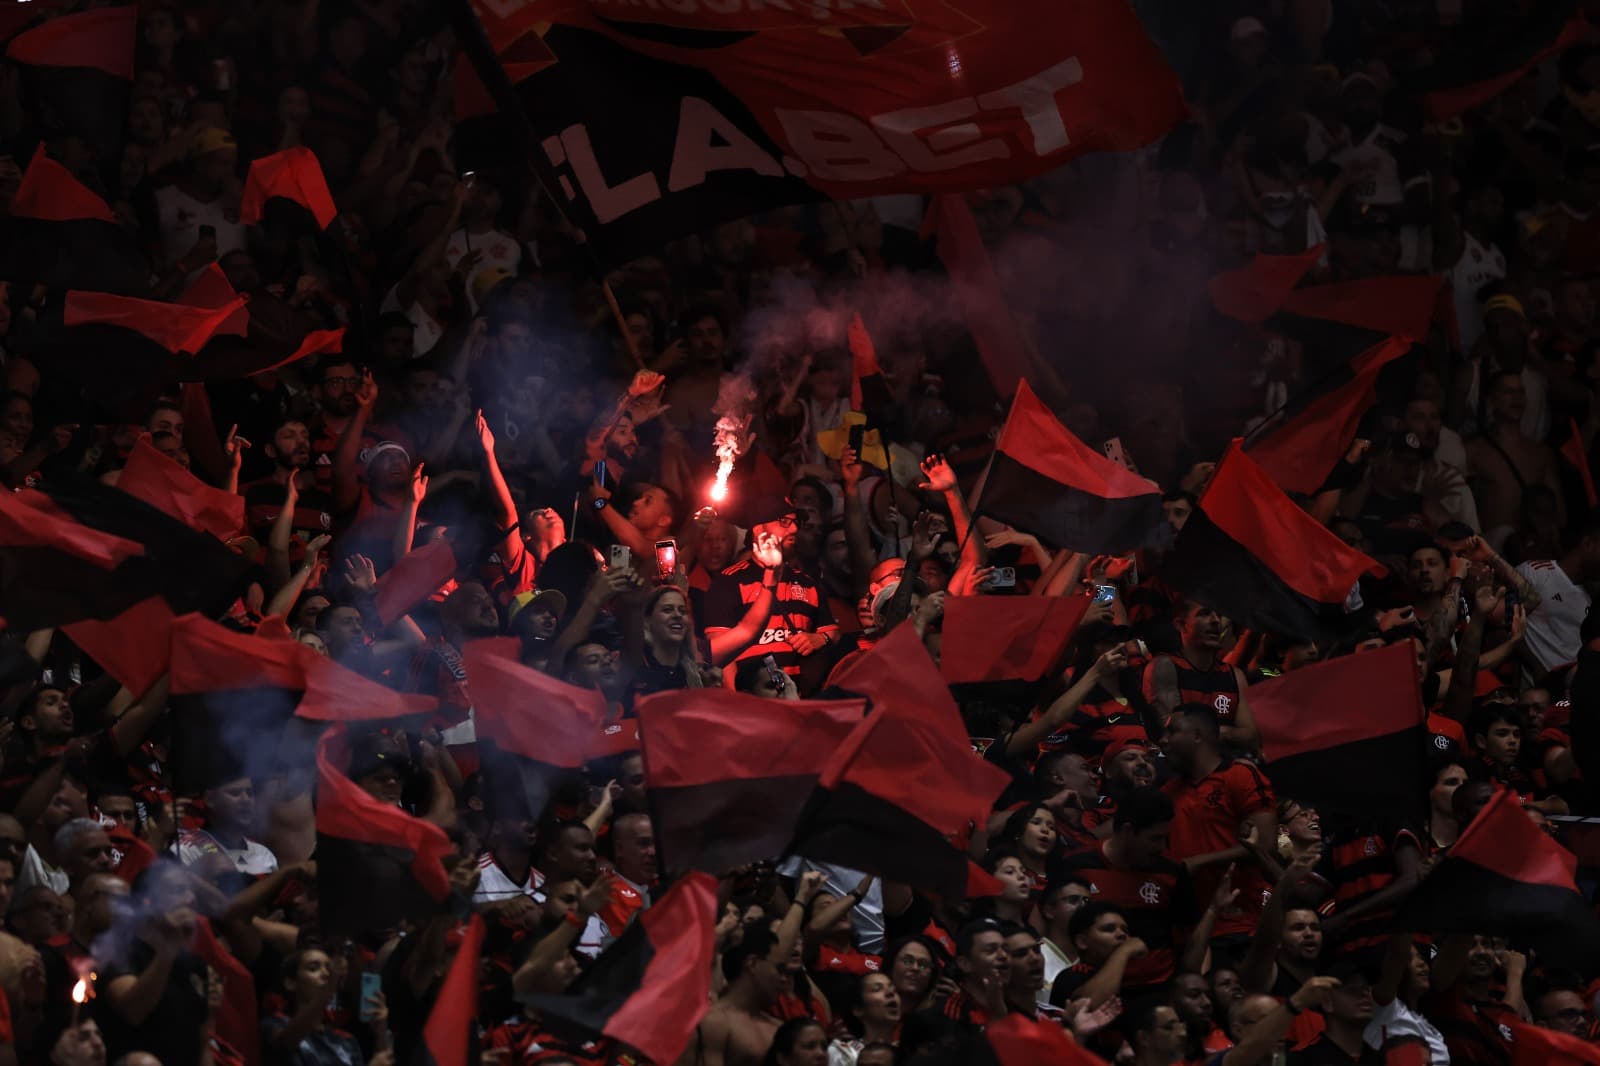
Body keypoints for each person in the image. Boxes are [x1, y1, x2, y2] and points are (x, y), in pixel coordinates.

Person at [1144, 601, 1258, 751]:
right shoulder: (1164, 667)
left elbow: (1251, 737)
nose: (1216, 620)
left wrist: (1211, 733)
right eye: (1204, 613)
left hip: (1228, 765)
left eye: (1218, 614)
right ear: (1180, 624)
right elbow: (1178, 737)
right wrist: (1228, 732)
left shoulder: (1234, 675)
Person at [826, 972, 899, 1066]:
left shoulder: (908, 1053)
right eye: (877, 989)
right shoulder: (840, 1054)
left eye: (894, 989)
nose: (891, 993)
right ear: (858, 1009)